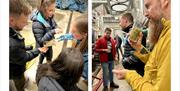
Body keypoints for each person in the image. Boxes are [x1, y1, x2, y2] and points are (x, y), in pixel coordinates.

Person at [113, 0, 171, 90]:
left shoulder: (170, 37)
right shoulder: (164, 31)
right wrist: (139, 48)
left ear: (164, 1)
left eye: (148, 7)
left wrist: (129, 75)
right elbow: (154, 60)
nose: (145, 14)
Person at [9, 0, 48, 91]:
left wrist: (26, 48)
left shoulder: (12, 36)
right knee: (19, 82)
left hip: (13, 61)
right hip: (14, 72)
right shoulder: (13, 45)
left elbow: (15, 51)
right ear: (11, 20)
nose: (27, 24)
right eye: (24, 22)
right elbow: (24, 57)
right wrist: (38, 50)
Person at [31, 0, 62, 64]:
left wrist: (56, 27)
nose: (53, 13)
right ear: (43, 10)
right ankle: (40, 64)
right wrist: (53, 32)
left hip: (49, 41)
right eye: (50, 10)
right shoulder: (37, 24)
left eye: (54, 10)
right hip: (43, 44)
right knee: (43, 54)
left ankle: (48, 65)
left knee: (50, 55)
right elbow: (40, 41)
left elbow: (53, 23)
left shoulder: (49, 16)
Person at [70, 14, 88, 84]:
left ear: (84, 34)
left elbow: (82, 80)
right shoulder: (80, 39)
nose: (71, 32)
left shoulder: (86, 60)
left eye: (74, 31)